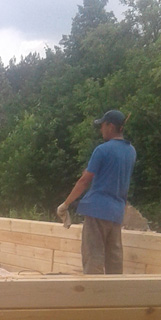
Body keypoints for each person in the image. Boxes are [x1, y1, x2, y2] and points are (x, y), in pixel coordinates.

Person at [56, 109, 136, 275]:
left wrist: (66, 204)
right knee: (114, 260)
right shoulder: (131, 151)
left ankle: (93, 291)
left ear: (110, 126)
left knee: (93, 258)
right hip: (116, 212)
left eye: (102, 125)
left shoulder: (102, 150)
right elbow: (112, 174)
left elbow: (84, 181)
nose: (101, 130)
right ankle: (115, 291)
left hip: (97, 210)